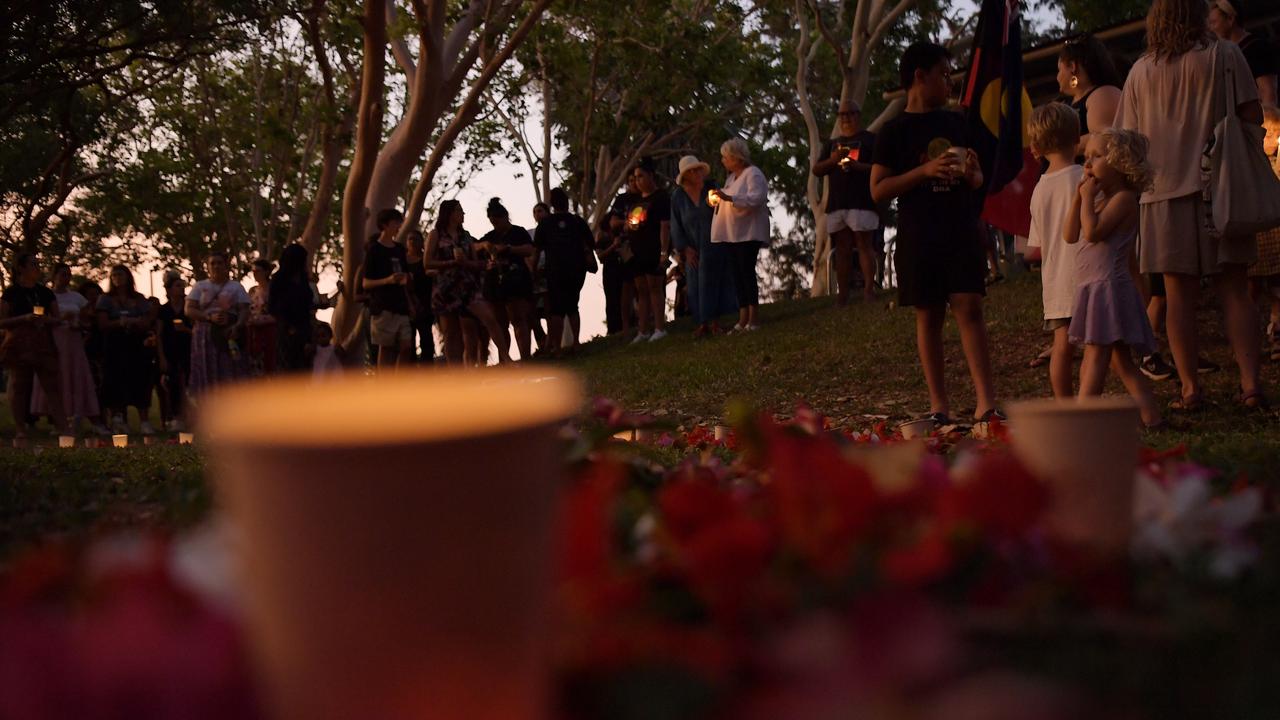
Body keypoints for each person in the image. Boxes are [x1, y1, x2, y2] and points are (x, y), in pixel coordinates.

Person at [1113, 0, 1266, 410]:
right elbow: (1252, 115)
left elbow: (1125, 140)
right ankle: (1250, 384)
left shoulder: (1140, 71)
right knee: (1234, 288)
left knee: (1178, 296)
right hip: (1221, 189)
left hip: (1160, 195)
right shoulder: (1224, 54)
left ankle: (1189, 389)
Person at [870, 41, 1000, 426]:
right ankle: (939, 405)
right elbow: (878, 189)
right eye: (943, 75)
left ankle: (986, 404)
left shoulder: (958, 123)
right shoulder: (893, 131)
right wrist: (923, 173)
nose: (949, 82)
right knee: (928, 316)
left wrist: (974, 175)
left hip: (960, 228)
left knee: (970, 308)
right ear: (919, 76)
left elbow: (978, 180)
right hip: (919, 234)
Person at [1064, 129, 1163, 428]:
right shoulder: (1097, 199)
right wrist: (1077, 200)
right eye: (1086, 157)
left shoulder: (1123, 200)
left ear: (1121, 163)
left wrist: (1087, 200)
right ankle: (1152, 418)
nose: (1088, 163)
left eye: (1096, 156)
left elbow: (1093, 233)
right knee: (1122, 363)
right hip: (1094, 288)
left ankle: (1082, 421)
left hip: (1108, 288)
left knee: (1096, 356)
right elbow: (1070, 235)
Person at [1027, 103, 1086, 400]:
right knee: (1099, 345)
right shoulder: (1085, 178)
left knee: (1062, 345)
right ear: (1078, 138)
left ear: (1035, 146)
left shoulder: (1039, 190)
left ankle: (1065, 403)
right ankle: (1090, 397)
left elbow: (1034, 249)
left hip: (1057, 285)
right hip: (1089, 275)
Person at [426, 200, 512, 365]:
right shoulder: (436, 234)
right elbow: (427, 262)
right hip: (446, 288)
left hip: (468, 286)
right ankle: (457, 372)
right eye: (459, 211)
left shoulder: (465, 236)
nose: (463, 214)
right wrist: (451, 262)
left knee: (490, 318)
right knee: (451, 332)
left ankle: (506, 357)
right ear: (450, 213)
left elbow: (474, 262)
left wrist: (483, 265)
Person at [812, 100, 880, 305]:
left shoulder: (870, 140)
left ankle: (869, 289)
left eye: (849, 114)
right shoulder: (832, 144)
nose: (845, 119)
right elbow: (817, 170)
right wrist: (834, 160)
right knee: (842, 248)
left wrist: (857, 166)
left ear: (858, 115)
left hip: (862, 200)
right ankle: (843, 294)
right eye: (841, 115)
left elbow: (879, 167)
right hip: (838, 202)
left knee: (864, 244)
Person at [0, 253, 68, 438]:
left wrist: (46, 320)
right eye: (33, 264)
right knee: (19, 384)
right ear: (21, 268)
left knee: (52, 386)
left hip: (42, 342)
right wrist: (24, 318)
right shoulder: (11, 293)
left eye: (38, 264)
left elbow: (57, 319)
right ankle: (20, 429)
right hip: (18, 342)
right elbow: (2, 321)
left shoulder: (45, 293)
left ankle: (64, 428)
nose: (37, 267)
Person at [30, 263, 100, 434]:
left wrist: (80, 324)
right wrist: (59, 318)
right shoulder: (46, 296)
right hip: (53, 339)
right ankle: (56, 419)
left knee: (74, 376)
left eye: (68, 274)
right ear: (54, 276)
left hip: (73, 342)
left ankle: (75, 416)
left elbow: (87, 320)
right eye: (62, 274)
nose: (66, 278)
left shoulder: (77, 297)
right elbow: (39, 318)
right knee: (56, 377)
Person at [672, 155, 735, 337]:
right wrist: (684, 249)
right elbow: (676, 224)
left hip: (715, 243)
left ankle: (716, 322)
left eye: (697, 169)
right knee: (695, 286)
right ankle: (702, 323)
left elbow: (724, 212)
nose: (696, 173)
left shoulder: (711, 188)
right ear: (685, 175)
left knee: (717, 281)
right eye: (691, 171)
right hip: (693, 247)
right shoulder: (678, 197)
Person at [710, 138, 770, 332]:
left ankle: (754, 316)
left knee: (746, 272)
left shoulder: (753, 174)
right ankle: (743, 315)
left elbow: (757, 198)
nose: (723, 161)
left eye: (725, 157)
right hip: (732, 233)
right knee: (737, 274)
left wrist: (730, 198)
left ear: (736, 158)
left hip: (748, 232)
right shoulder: (731, 179)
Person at [97, 264, 157, 434]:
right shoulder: (105, 299)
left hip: (136, 344)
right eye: (114, 275)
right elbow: (102, 324)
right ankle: (118, 419)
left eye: (120, 274)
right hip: (114, 345)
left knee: (140, 380)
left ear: (128, 277)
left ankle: (144, 421)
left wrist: (136, 322)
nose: (117, 278)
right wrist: (119, 322)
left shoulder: (138, 298)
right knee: (115, 381)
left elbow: (147, 320)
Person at [533, 187, 595, 351]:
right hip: (575, 270)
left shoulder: (545, 224)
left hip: (555, 271)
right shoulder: (577, 221)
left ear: (552, 204)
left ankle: (558, 348)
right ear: (566, 202)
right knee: (573, 306)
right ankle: (575, 344)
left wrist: (533, 272)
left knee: (557, 311)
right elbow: (590, 242)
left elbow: (536, 251)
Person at [478, 198, 536, 359]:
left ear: (504, 217)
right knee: (500, 323)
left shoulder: (518, 232)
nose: (494, 225)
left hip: (516, 281)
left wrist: (509, 249)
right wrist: (484, 247)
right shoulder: (489, 236)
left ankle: (525, 356)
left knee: (519, 318)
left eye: (496, 221)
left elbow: (529, 249)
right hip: (495, 283)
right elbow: (475, 246)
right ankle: (505, 358)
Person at [622, 158, 672, 343]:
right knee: (641, 290)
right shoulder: (635, 200)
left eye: (641, 176)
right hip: (637, 251)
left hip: (653, 248)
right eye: (635, 177)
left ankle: (659, 327)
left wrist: (664, 252)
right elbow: (630, 223)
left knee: (654, 287)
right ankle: (642, 330)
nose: (637, 180)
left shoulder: (661, 197)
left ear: (651, 175)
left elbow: (665, 226)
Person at [186, 252, 250, 397]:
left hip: (229, 334)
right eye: (212, 263)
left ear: (226, 266)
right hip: (205, 336)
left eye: (219, 263)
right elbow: (189, 309)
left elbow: (244, 310)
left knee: (231, 370)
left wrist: (238, 326)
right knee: (206, 371)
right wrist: (208, 317)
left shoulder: (236, 287)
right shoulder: (200, 286)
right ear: (207, 267)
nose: (216, 266)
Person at [362, 208, 415, 370]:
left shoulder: (399, 249)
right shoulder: (374, 250)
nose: (398, 226)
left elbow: (407, 275)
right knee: (386, 348)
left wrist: (410, 300)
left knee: (407, 345)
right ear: (384, 225)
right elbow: (366, 283)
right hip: (383, 307)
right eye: (395, 222)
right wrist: (387, 280)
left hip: (401, 306)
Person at [1209, 0, 1278, 107]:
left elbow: (1268, 91)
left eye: (1214, 22)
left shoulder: (1257, 48)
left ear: (1230, 19)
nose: (1211, 28)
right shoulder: (1223, 53)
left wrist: (1267, 121)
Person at [1252, 106, 1280, 361]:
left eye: (1275, 133)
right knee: (1251, 289)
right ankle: (1251, 339)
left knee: (1276, 290)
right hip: (1257, 239)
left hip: (1275, 241)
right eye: (1267, 133)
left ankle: (1276, 332)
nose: (1270, 138)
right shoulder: (1251, 166)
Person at [269, 243, 315, 373]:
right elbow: (273, 307)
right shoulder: (278, 280)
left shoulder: (303, 279)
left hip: (305, 328)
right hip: (287, 331)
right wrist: (288, 327)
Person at [155, 271, 191, 432]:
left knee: (191, 384)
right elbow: (159, 334)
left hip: (189, 350)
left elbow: (196, 329)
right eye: (177, 286)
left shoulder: (189, 307)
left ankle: (192, 417)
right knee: (173, 384)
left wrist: (185, 329)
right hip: (170, 351)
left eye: (182, 286)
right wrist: (161, 357)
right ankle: (175, 417)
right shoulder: (164, 310)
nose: (181, 289)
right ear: (169, 290)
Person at [405, 230, 436, 363]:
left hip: (426, 305)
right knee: (408, 342)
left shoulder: (426, 260)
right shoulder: (402, 261)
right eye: (410, 239)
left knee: (427, 340)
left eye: (415, 239)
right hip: (407, 306)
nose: (412, 242)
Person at [596, 211, 629, 336]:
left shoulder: (622, 233)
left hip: (623, 267)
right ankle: (613, 328)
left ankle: (626, 326)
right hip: (610, 269)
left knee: (624, 297)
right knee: (611, 299)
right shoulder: (602, 236)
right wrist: (614, 247)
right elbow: (600, 256)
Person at [247, 259, 277, 376]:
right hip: (253, 331)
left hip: (270, 330)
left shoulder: (274, 290)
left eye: (258, 271)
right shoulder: (252, 291)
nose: (255, 274)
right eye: (253, 271)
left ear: (266, 272)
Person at [529, 202, 551, 350]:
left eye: (541, 211)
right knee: (532, 313)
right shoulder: (530, 233)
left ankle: (551, 342)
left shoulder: (554, 232)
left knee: (550, 311)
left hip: (549, 275)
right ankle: (541, 343)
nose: (538, 214)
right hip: (534, 277)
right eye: (535, 211)